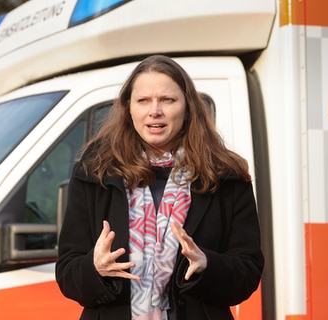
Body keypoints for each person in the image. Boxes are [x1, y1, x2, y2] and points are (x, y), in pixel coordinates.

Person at [55, 55, 264, 320]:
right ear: (128, 108)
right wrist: (94, 268)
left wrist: (207, 265)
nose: (155, 110)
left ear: (188, 107)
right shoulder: (95, 172)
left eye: (168, 100)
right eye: (143, 100)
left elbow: (248, 272)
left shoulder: (225, 176)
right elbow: (67, 272)